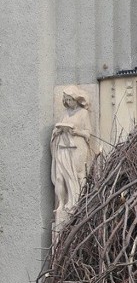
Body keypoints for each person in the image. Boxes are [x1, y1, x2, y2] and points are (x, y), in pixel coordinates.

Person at [51, 86, 97, 221]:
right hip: (63, 147)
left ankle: (77, 202)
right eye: (66, 100)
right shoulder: (65, 113)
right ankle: (61, 204)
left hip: (77, 147)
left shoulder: (83, 113)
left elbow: (88, 133)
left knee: (77, 175)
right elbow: (55, 129)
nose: (68, 102)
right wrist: (57, 131)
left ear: (76, 99)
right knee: (60, 177)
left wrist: (77, 132)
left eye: (70, 99)